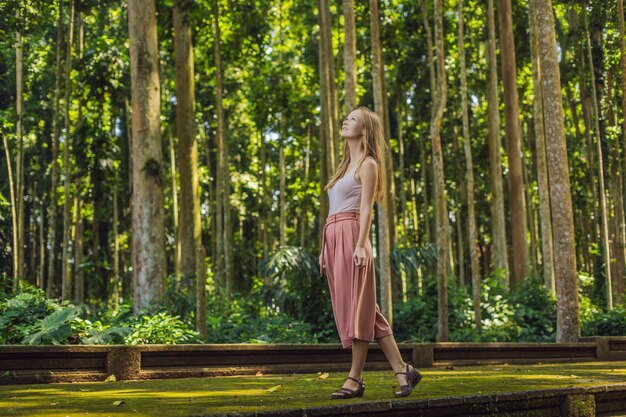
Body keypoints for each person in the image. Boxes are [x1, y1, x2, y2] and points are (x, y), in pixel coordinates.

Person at [319, 106, 422, 399]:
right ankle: (403, 370)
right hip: (334, 235)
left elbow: (365, 209)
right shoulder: (343, 168)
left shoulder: (368, 164)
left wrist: (360, 244)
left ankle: (355, 378)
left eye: (352, 119)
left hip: (353, 234)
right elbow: (331, 210)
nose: (345, 120)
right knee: (364, 309)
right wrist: (323, 249)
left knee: (358, 310)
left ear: (365, 130)